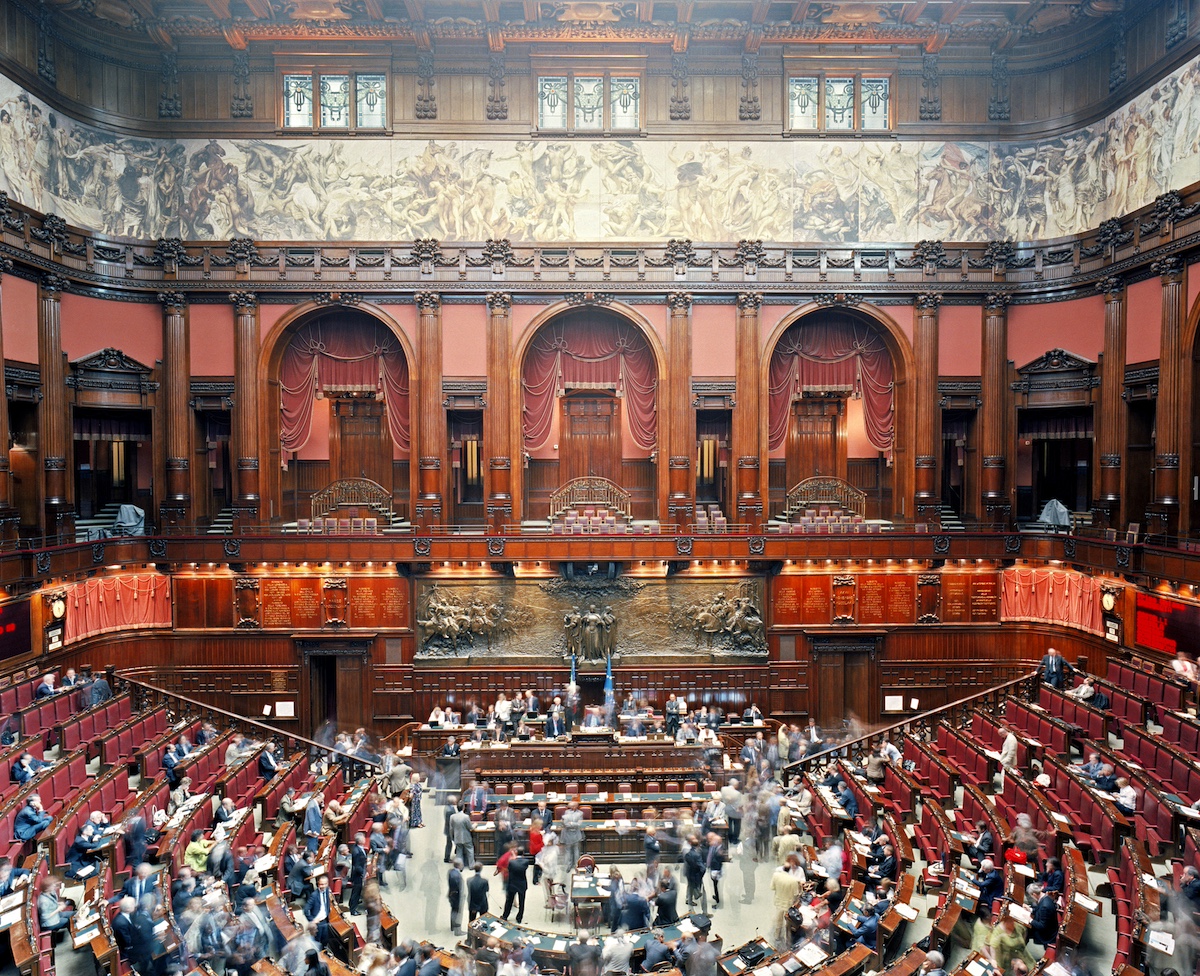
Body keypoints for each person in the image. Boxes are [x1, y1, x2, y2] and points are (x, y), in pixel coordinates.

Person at [502, 847, 530, 924]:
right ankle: (519, 918)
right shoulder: (526, 861)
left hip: (512, 883)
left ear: (516, 853)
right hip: (522, 884)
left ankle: (505, 916)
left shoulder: (511, 862)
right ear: (523, 853)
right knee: (522, 902)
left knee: (509, 901)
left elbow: (509, 869)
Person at [305, 875, 333, 946]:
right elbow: (306, 909)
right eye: (321, 884)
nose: (323, 886)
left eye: (324, 884)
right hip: (318, 922)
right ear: (318, 884)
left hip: (326, 920)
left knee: (325, 940)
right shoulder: (314, 895)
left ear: (327, 884)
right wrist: (312, 920)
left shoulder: (327, 890)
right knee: (317, 941)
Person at [1028, 882, 1059, 946]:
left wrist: (1030, 920)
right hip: (1047, 928)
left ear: (1034, 894)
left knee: (1026, 929)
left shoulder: (1045, 906)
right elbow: (1039, 911)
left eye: (1031, 896)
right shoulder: (1045, 897)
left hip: (1046, 935)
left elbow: (1042, 926)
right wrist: (1030, 909)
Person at [561, 799, 584, 869]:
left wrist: (571, 823)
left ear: (575, 806)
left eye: (572, 806)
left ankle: (576, 865)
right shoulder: (566, 812)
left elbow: (579, 824)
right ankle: (568, 865)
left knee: (576, 850)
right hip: (567, 834)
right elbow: (565, 824)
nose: (570, 807)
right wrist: (573, 824)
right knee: (568, 851)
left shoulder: (580, 813)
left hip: (576, 834)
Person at [447, 857, 464, 936]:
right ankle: (457, 930)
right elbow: (457, 887)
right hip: (456, 896)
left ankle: (452, 926)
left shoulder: (451, 872)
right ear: (459, 865)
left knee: (453, 911)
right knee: (457, 913)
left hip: (452, 895)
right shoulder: (456, 876)